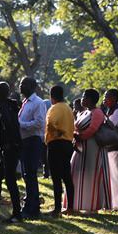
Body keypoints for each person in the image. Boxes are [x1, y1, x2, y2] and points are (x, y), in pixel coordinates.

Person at [0, 82, 23, 223]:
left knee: (10, 181)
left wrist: (7, 146)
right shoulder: (7, 106)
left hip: (11, 149)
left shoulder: (6, 108)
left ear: (1, 94)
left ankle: (17, 214)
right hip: (8, 149)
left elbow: (11, 128)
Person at [70, 89, 111, 213]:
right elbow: (75, 127)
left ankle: (92, 206)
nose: (82, 99)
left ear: (91, 99)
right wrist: (75, 136)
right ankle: (77, 203)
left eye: (84, 97)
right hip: (80, 147)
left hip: (93, 148)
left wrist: (80, 136)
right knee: (77, 174)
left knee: (91, 175)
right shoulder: (84, 112)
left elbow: (93, 129)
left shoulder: (97, 112)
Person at [18, 77, 47, 218]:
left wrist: (21, 125)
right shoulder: (25, 102)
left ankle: (32, 208)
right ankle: (30, 204)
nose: (20, 86)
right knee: (26, 175)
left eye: (24, 84)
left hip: (33, 141)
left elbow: (39, 123)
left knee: (30, 174)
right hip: (25, 142)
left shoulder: (38, 103)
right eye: (20, 84)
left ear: (33, 86)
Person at [45, 85, 75, 217]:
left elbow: (51, 122)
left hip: (56, 144)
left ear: (52, 95)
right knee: (67, 177)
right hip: (68, 144)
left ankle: (57, 209)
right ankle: (70, 207)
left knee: (56, 177)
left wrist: (56, 132)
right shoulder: (68, 108)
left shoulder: (55, 107)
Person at [102, 89, 118, 210]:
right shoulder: (108, 109)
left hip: (114, 146)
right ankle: (109, 202)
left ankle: (117, 203)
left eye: (108, 97)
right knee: (108, 175)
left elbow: (111, 124)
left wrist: (103, 118)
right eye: (105, 97)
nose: (105, 99)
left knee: (116, 175)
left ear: (115, 98)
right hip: (107, 146)